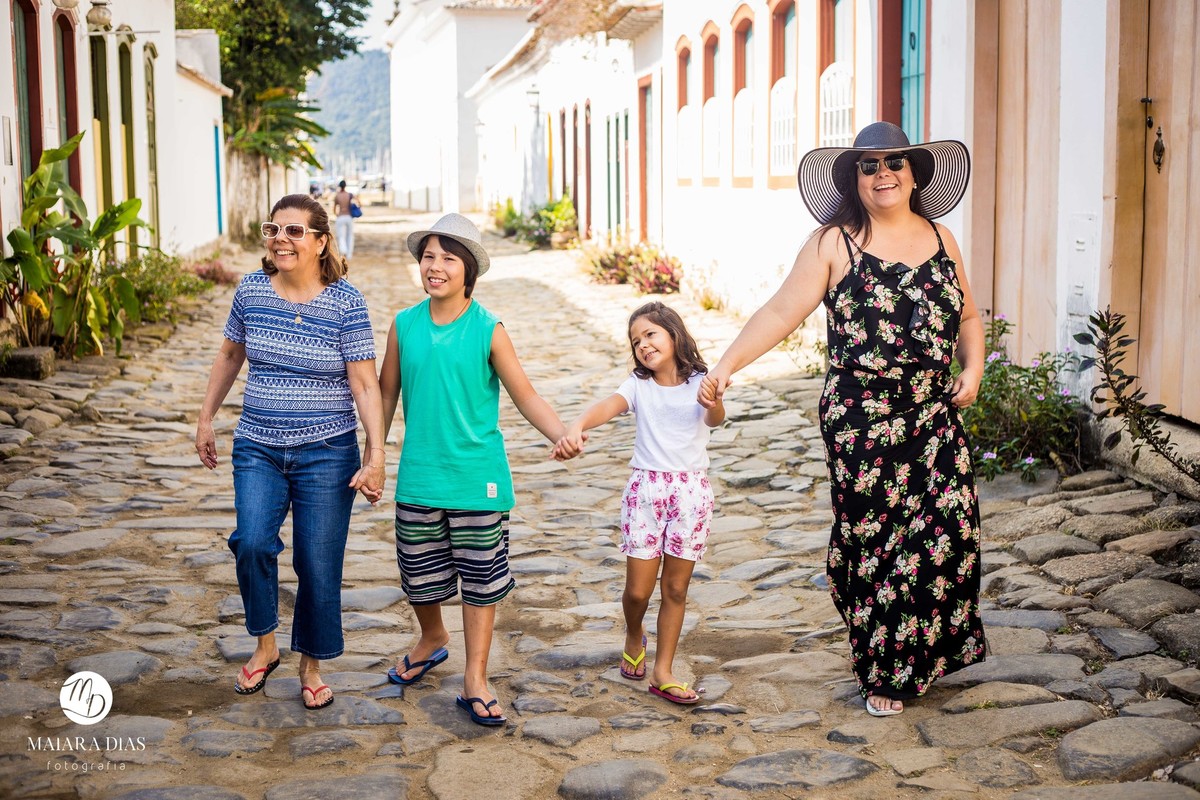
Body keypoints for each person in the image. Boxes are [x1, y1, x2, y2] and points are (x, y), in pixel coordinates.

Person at [698, 121, 987, 717]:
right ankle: (883, 669)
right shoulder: (834, 243)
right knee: (878, 540)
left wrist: (974, 370)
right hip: (862, 414)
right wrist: (726, 366)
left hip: (933, 411)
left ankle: (925, 654)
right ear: (854, 178)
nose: (884, 174)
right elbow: (781, 310)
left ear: (914, 172)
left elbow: (969, 317)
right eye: (869, 165)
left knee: (946, 534)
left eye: (894, 163)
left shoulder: (942, 237)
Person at [196, 193, 386, 711]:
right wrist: (206, 417)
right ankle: (265, 645)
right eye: (273, 229)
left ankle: (311, 663)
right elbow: (231, 353)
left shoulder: (346, 302)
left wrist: (376, 454)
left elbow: (365, 386)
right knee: (253, 541)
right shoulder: (252, 291)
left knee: (317, 561)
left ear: (321, 241)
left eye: (294, 231)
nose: (281, 239)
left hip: (328, 451)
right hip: (258, 444)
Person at [378, 213, 567, 727]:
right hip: (420, 476)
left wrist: (560, 433)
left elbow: (524, 393)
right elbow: (385, 395)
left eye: (448, 259)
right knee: (419, 578)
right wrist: (372, 454)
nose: (435, 267)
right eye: (428, 257)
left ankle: (476, 678)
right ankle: (433, 637)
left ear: (469, 271)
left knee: (481, 583)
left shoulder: (488, 328)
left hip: (478, 481)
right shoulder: (404, 326)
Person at [554, 302, 724, 705]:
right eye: (636, 341)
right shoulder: (638, 385)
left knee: (676, 589)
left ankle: (663, 671)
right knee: (637, 592)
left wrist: (713, 400)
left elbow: (715, 419)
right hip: (645, 493)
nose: (643, 345)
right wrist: (577, 425)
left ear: (673, 334)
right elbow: (607, 406)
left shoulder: (702, 380)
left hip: (691, 495)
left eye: (650, 334)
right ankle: (634, 632)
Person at [333, 180, 356, 260]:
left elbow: (334, 209)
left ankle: (343, 250)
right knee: (350, 235)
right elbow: (360, 202)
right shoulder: (350, 195)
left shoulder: (337, 196)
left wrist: (337, 215)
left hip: (340, 217)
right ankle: (349, 254)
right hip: (349, 217)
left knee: (341, 235)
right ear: (345, 186)